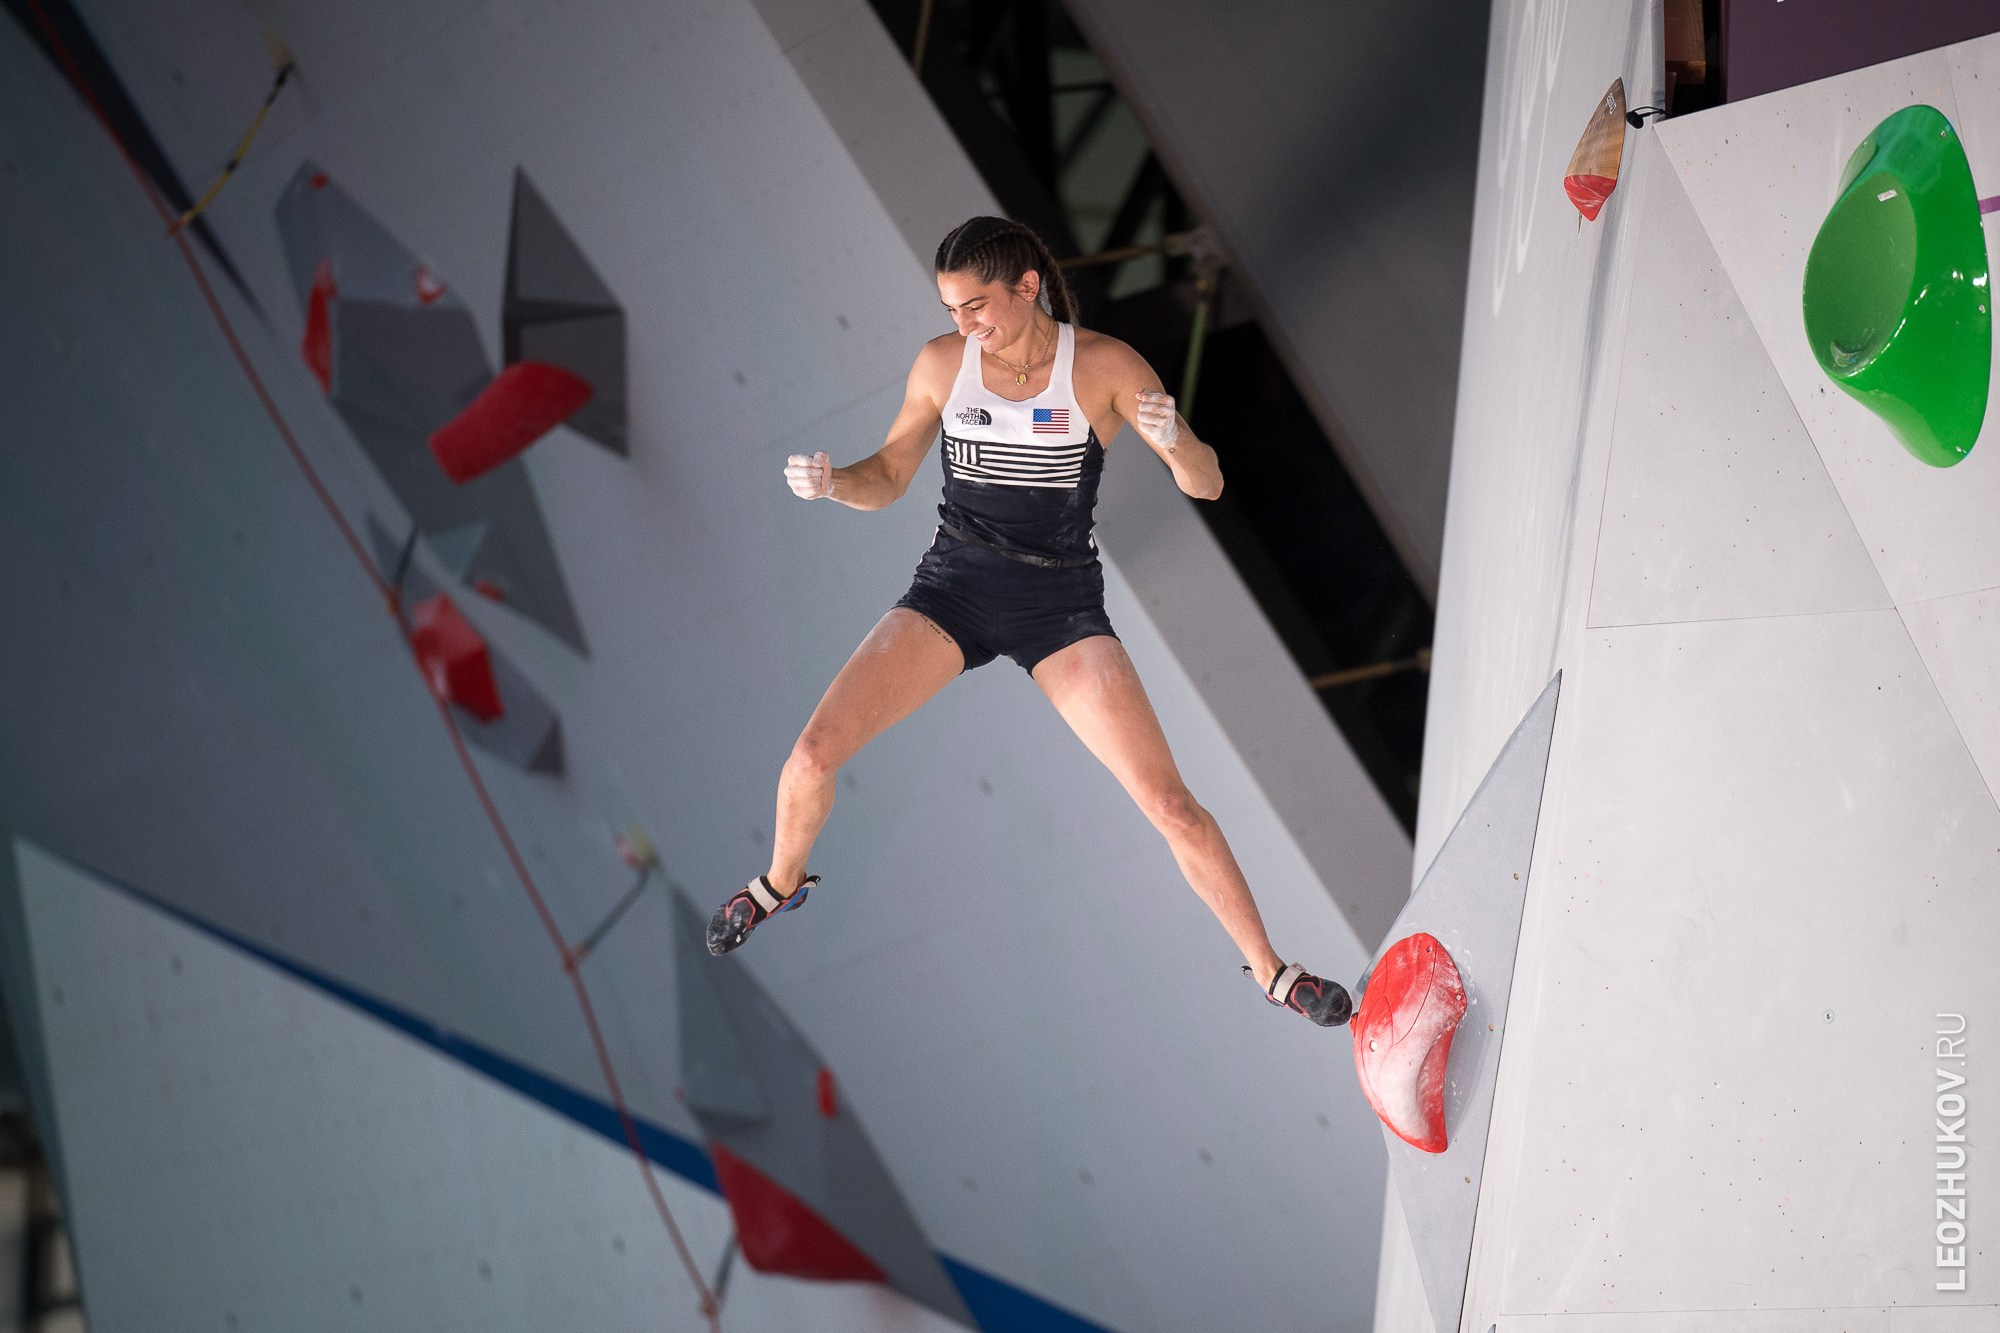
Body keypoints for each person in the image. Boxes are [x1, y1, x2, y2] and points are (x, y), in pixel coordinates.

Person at [705, 216, 1350, 1027]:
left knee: (1171, 805)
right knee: (809, 759)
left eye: (976, 306)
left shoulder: (1105, 366)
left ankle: (1274, 974)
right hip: (952, 593)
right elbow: (889, 476)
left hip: (1060, 606)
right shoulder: (943, 365)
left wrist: (1174, 439)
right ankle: (779, 883)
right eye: (950, 310)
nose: (963, 325)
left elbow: (1208, 483)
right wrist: (834, 482)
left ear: (1027, 287)